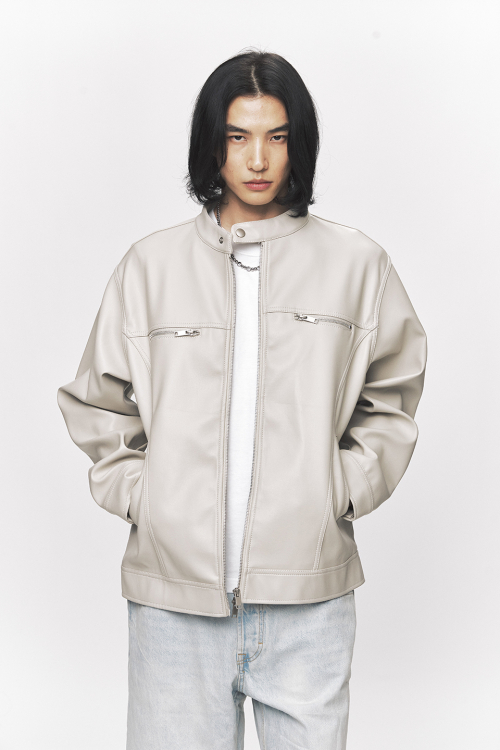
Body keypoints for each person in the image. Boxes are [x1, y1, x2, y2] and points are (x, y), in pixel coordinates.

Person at [57, 50, 427, 750]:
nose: (258, 159)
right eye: (238, 136)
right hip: (173, 607)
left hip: (308, 602)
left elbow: (393, 397)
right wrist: (149, 498)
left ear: (299, 144)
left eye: (277, 136)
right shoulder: (150, 267)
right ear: (212, 144)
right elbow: (98, 403)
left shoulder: (357, 266)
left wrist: (337, 490)